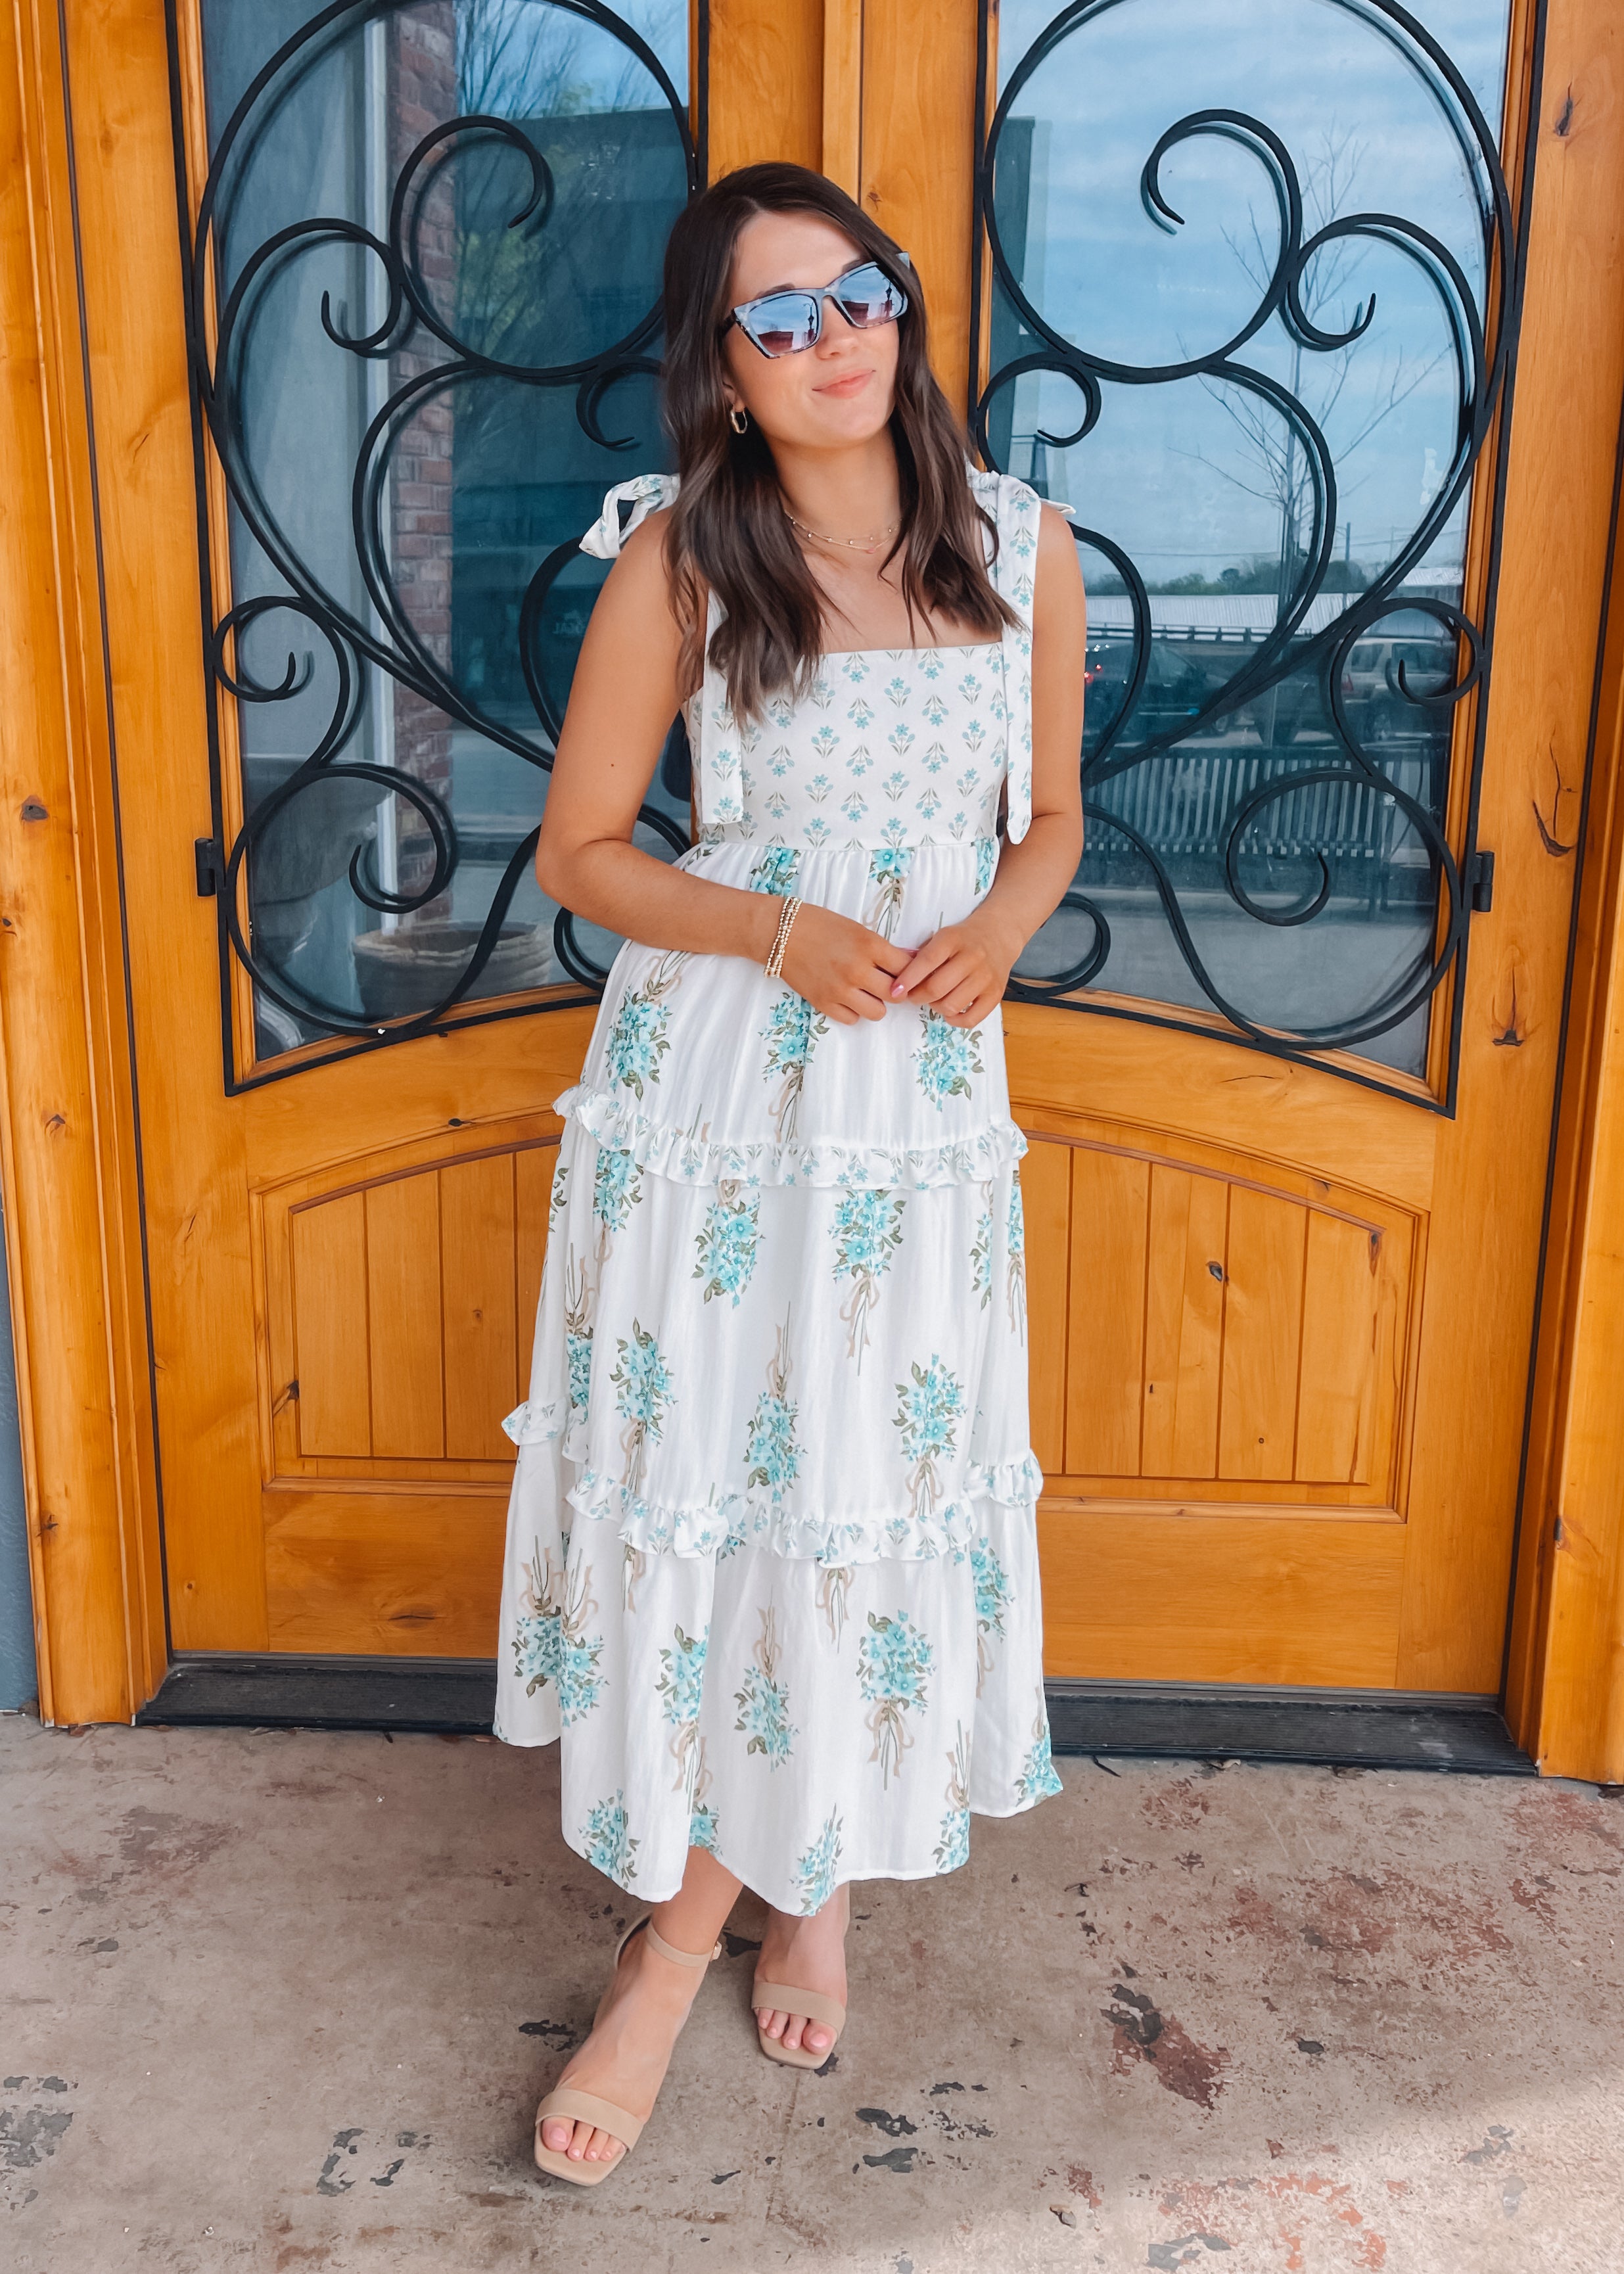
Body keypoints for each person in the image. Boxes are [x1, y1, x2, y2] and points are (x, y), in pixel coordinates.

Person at [494, 160, 1086, 2187]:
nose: (835, 337)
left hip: (918, 1109)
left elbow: (1053, 814)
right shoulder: (682, 558)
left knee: (856, 1493)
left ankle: (792, 1879)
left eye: (860, 293)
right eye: (779, 314)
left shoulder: (1022, 542)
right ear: (724, 369)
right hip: (731, 1100)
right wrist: (773, 928)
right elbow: (583, 852)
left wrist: (1002, 918)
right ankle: (686, 1943)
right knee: (739, 1488)